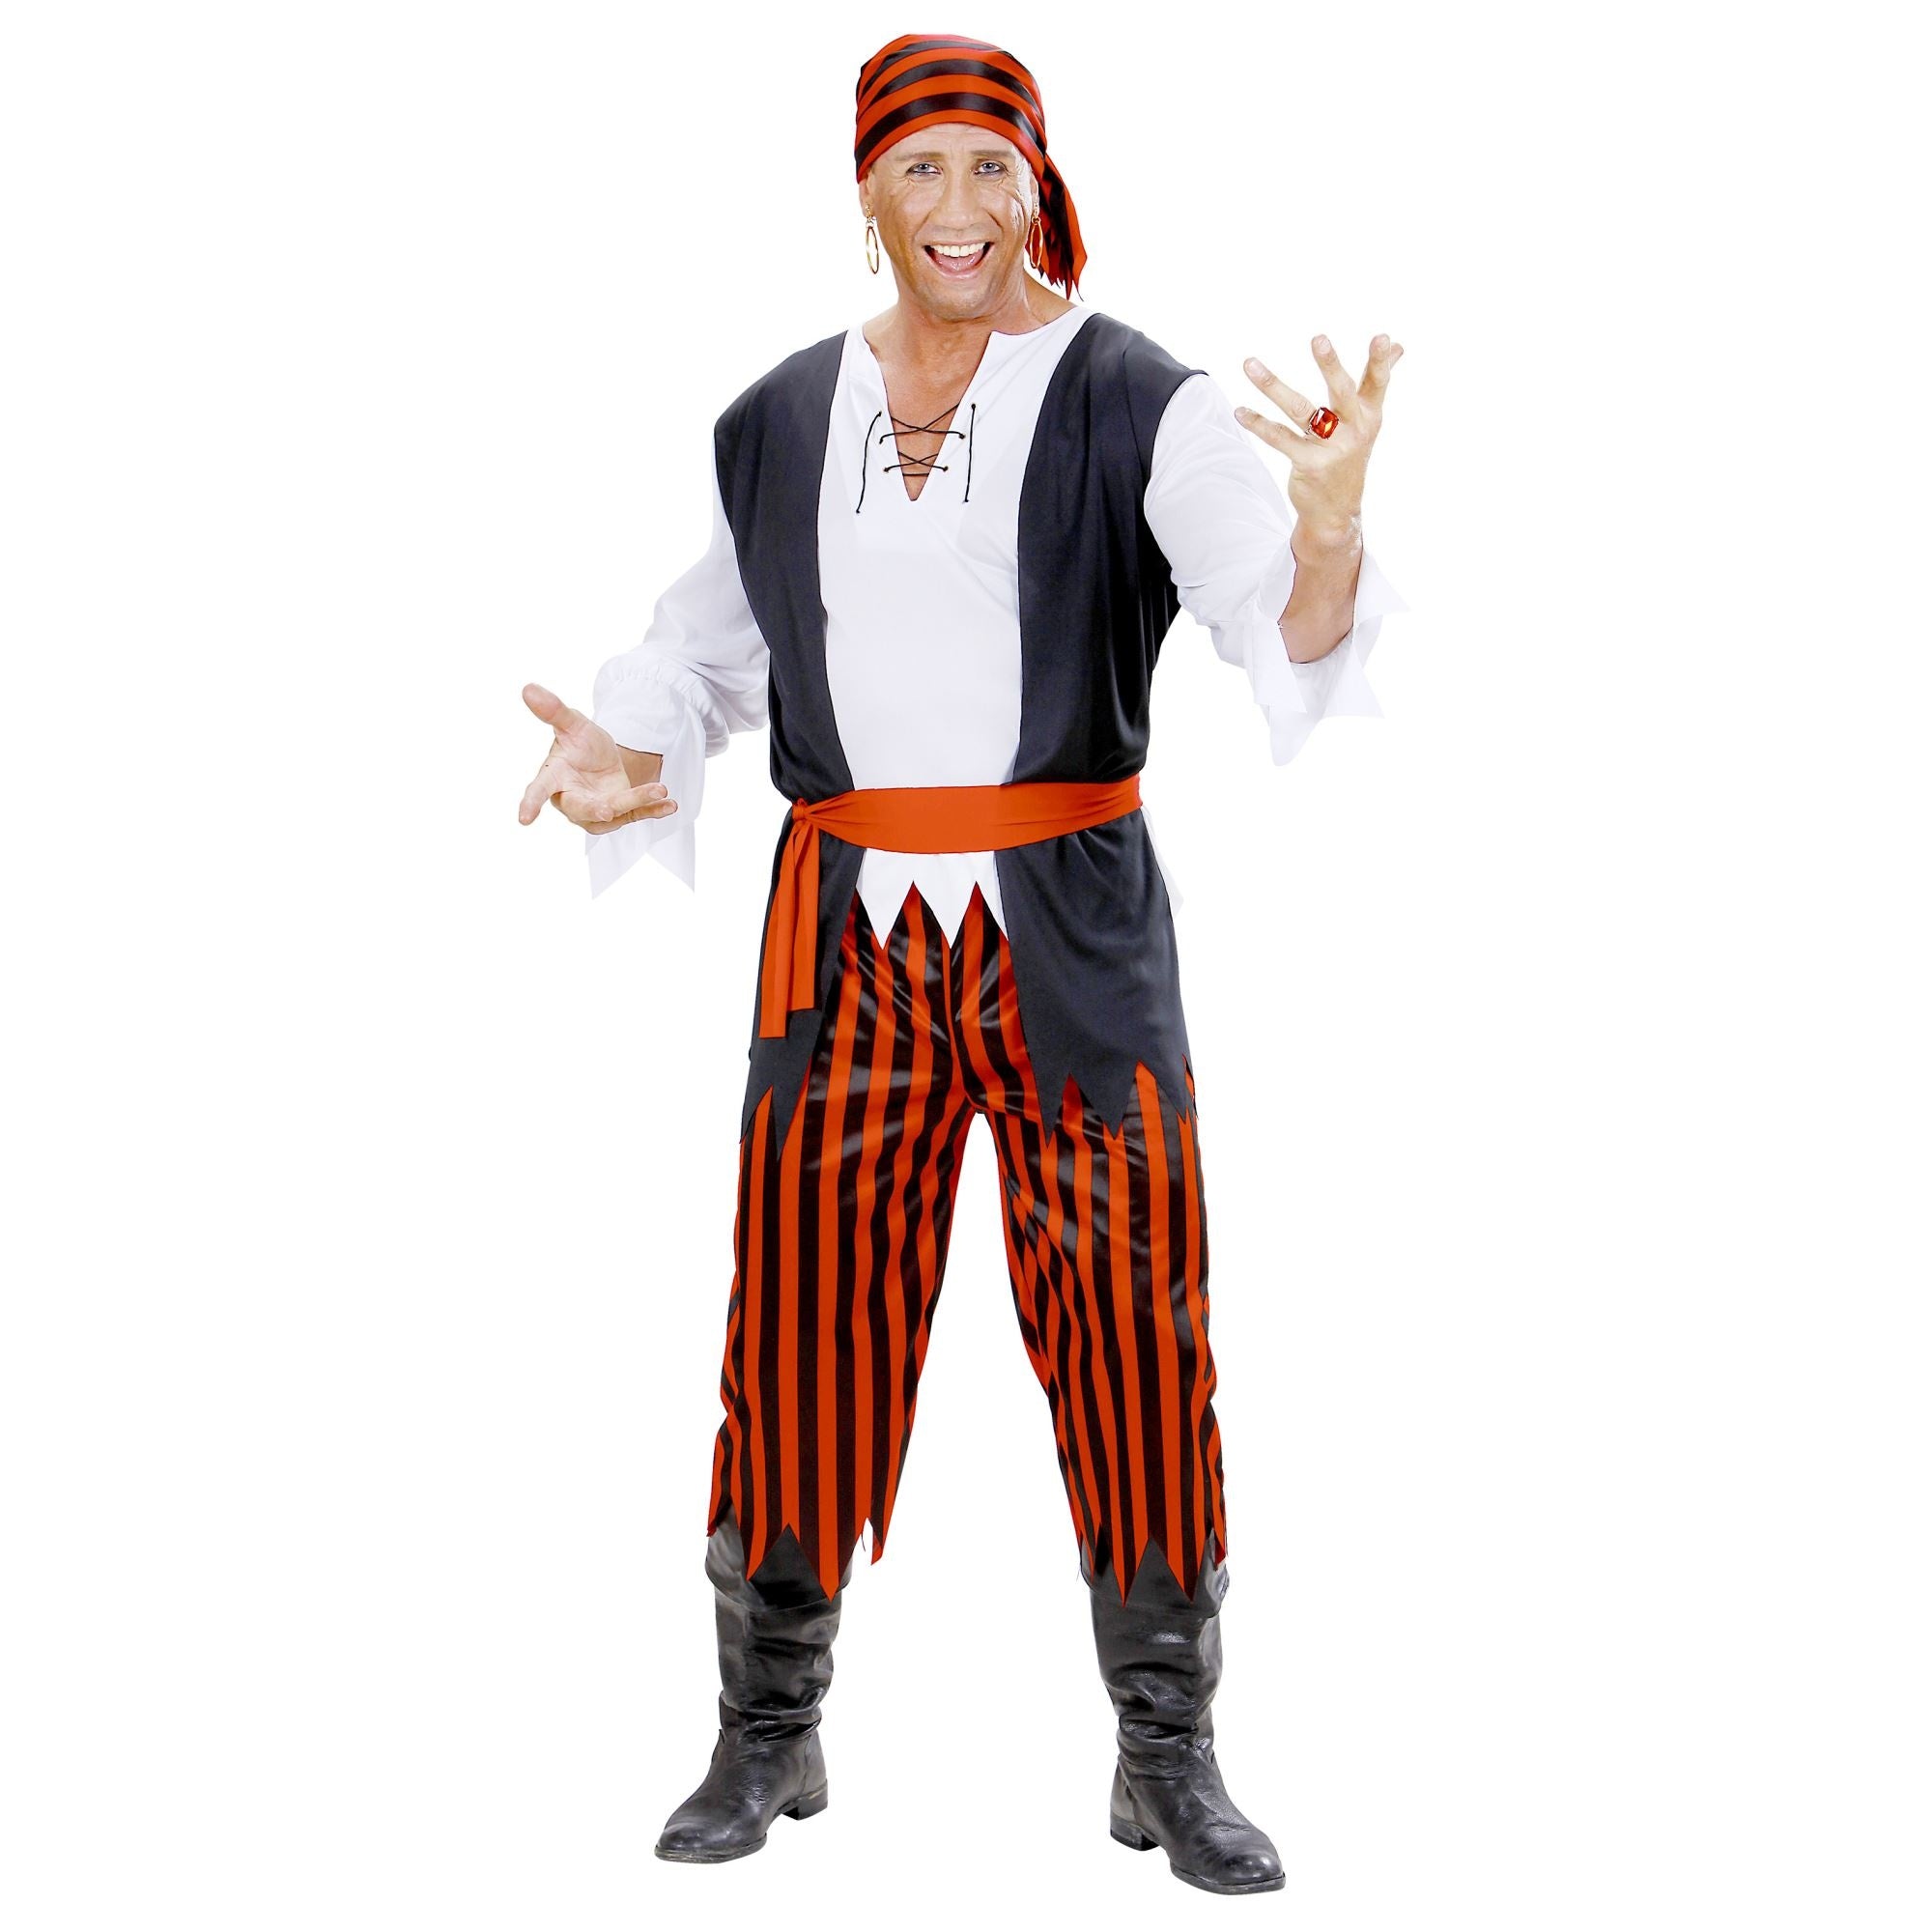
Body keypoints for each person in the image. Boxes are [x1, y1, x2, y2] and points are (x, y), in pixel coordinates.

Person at [517, 30, 1404, 1897]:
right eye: (920, 168)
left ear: (1035, 183)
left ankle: (1167, 1752)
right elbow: (701, 656)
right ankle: (768, 1728)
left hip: (1072, 928)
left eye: (991, 167)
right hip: (844, 938)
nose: (959, 206)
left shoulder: (1141, 399)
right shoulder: (776, 416)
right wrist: (627, 751)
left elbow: (1274, 618)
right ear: (867, 196)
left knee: (1134, 1323)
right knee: (797, 1314)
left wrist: (1327, 535)